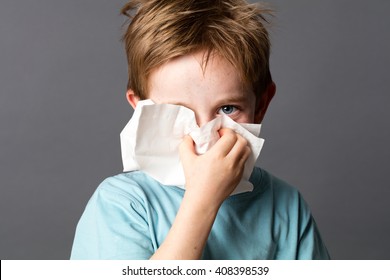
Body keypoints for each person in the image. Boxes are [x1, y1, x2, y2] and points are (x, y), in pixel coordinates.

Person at [70, 0, 330, 259]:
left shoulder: (286, 206)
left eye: (227, 109)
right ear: (142, 111)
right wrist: (203, 198)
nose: (205, 136)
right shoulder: (122, 204)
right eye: (180, 112)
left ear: (261, 105)